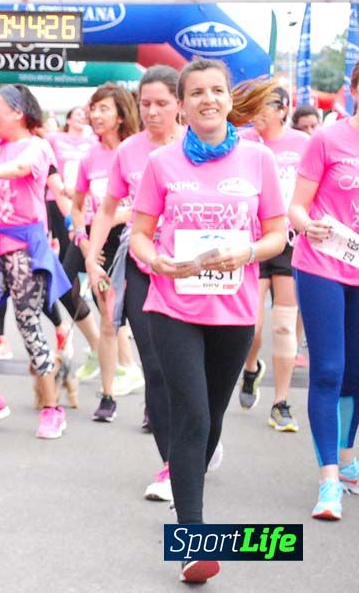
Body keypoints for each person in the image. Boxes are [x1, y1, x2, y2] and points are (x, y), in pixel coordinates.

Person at [129, 61, 285, 583]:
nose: (208, 100)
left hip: (235, 311)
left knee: (210, 424)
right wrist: (157, 262)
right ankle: (192, 543)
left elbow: (277, 235)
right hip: (173, 306)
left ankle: (186, 487)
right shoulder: (161, 163)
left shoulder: (258, 160)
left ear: (226, 99)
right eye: (196, 93)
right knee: (191, 416)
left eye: (216, 90)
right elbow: (141, 235)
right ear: (182, 104)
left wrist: (247, 250)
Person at [85, 65, 182, 501]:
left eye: (162, 103)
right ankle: (170, 465)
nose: (153, 112)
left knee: (197, 373)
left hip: (196, 278)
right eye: (146, 104)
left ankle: (201, 437)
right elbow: (107, 208)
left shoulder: (199, 145)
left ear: (180, 104)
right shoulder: (129, 151)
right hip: (145, 271)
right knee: (157, 369)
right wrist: (92, 254)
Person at [0, 83, 72, 438]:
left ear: (18, 112)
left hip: (25, 248)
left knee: (28, 325)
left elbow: (22, 168)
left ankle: (53, 408)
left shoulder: (38, 146)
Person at [287, 61, 359, 521]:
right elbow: (295, 205)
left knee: (355, 372)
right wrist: (306, 224)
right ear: (354, 90)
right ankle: (328, 480)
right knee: (329, 369)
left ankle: (348, 461)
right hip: (322, 264)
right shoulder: (328, 139)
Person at [237, 86, 309, 432]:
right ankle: (251, 367)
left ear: (283, 110)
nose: (259, 113)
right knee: (252, 328)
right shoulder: (242, 142)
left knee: (283, 324)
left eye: (266, 106)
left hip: (291, 242)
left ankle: (281, 403)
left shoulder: (303, 144)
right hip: (251, 241)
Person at [72, 83, 141, 422]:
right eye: (93, 108)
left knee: (147, 325)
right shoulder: (89, 157)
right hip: (104, 245)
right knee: (109, 321)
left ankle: (153, 405)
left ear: (121, 114)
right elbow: (79, 205)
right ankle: (108, 396)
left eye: (103, 109)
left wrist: (122, 216)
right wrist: (86, 242)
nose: (95, 115)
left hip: (141, 239)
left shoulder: (136, 150)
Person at [46, 107, 101, 376]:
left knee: (83, 281)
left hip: (87, 213)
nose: (82, 116)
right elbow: (53, 179)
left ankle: (107, 348)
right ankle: (99, 347)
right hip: (58, 211)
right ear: (68, 119)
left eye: (86, 112)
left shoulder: (93, 143)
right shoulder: (55, 140)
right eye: (77, 113)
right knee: (64, 282)